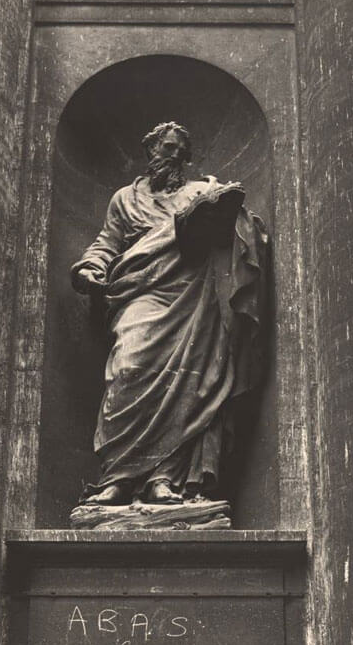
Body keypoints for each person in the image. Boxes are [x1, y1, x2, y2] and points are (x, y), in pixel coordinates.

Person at [71, 121, 268, 505]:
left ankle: (165, 479)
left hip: (194, 296)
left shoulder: (200, 191)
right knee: (128, 368)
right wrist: (88, 269)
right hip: (141, 290)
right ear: (150, 152)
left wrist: (230, 215)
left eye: (181, 151)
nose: (174, 156)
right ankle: (117, 478)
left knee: (192, 384)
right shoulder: (124, 199)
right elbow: (106, 244)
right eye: (167, 148)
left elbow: (242, 228)